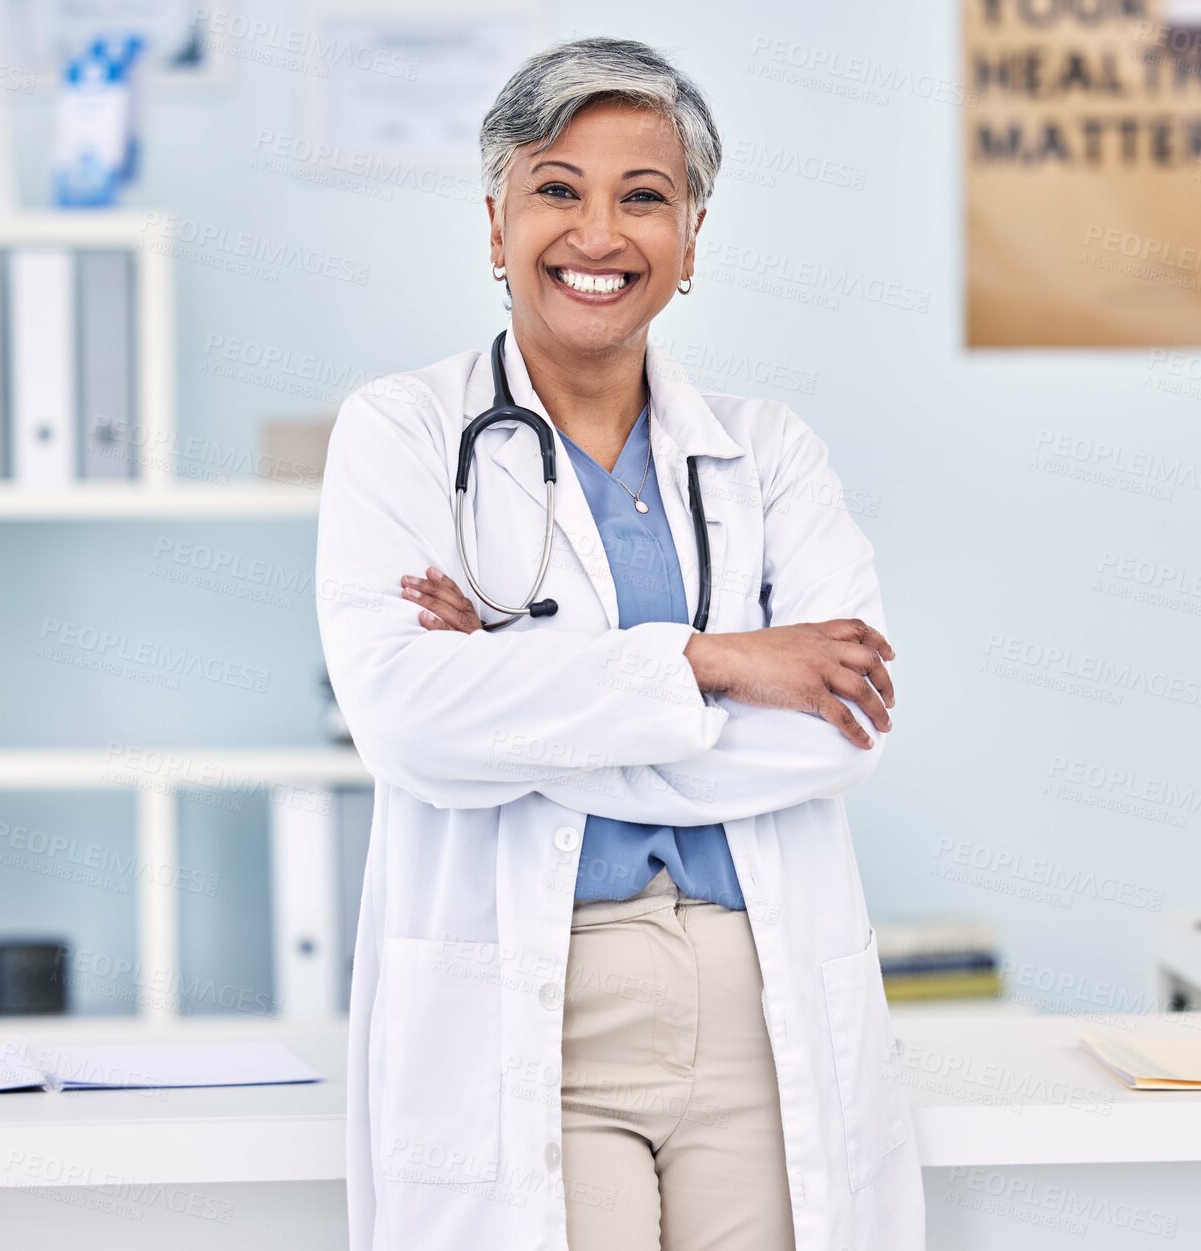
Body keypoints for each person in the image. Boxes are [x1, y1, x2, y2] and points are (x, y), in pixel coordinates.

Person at [316, 35, 924, 1251]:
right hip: (534, 1000)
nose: (597, 234)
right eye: (555, 189)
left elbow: (836, 733)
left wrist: (509, 687)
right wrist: (716, 662)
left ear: (690, 241)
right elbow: (404, 721)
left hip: (757, 992)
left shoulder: (769, 451)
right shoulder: (401, 432)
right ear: (495, 226)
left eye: (643, 198)